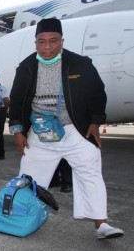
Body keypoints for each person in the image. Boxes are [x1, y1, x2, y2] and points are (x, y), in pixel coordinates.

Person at [8, 18, 124, 239]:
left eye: (53, 41)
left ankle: (101, 224)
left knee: (91, 171)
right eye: (41, 42)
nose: (47, 47)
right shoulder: (26, 68)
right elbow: (16, 101)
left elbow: (97, 93)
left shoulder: (79, 64)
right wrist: (18, 131)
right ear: (35, 43)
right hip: (41, 132)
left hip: (74, 129)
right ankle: (24, 217)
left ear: (62, 41)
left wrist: (95, 122)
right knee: (28, 178)